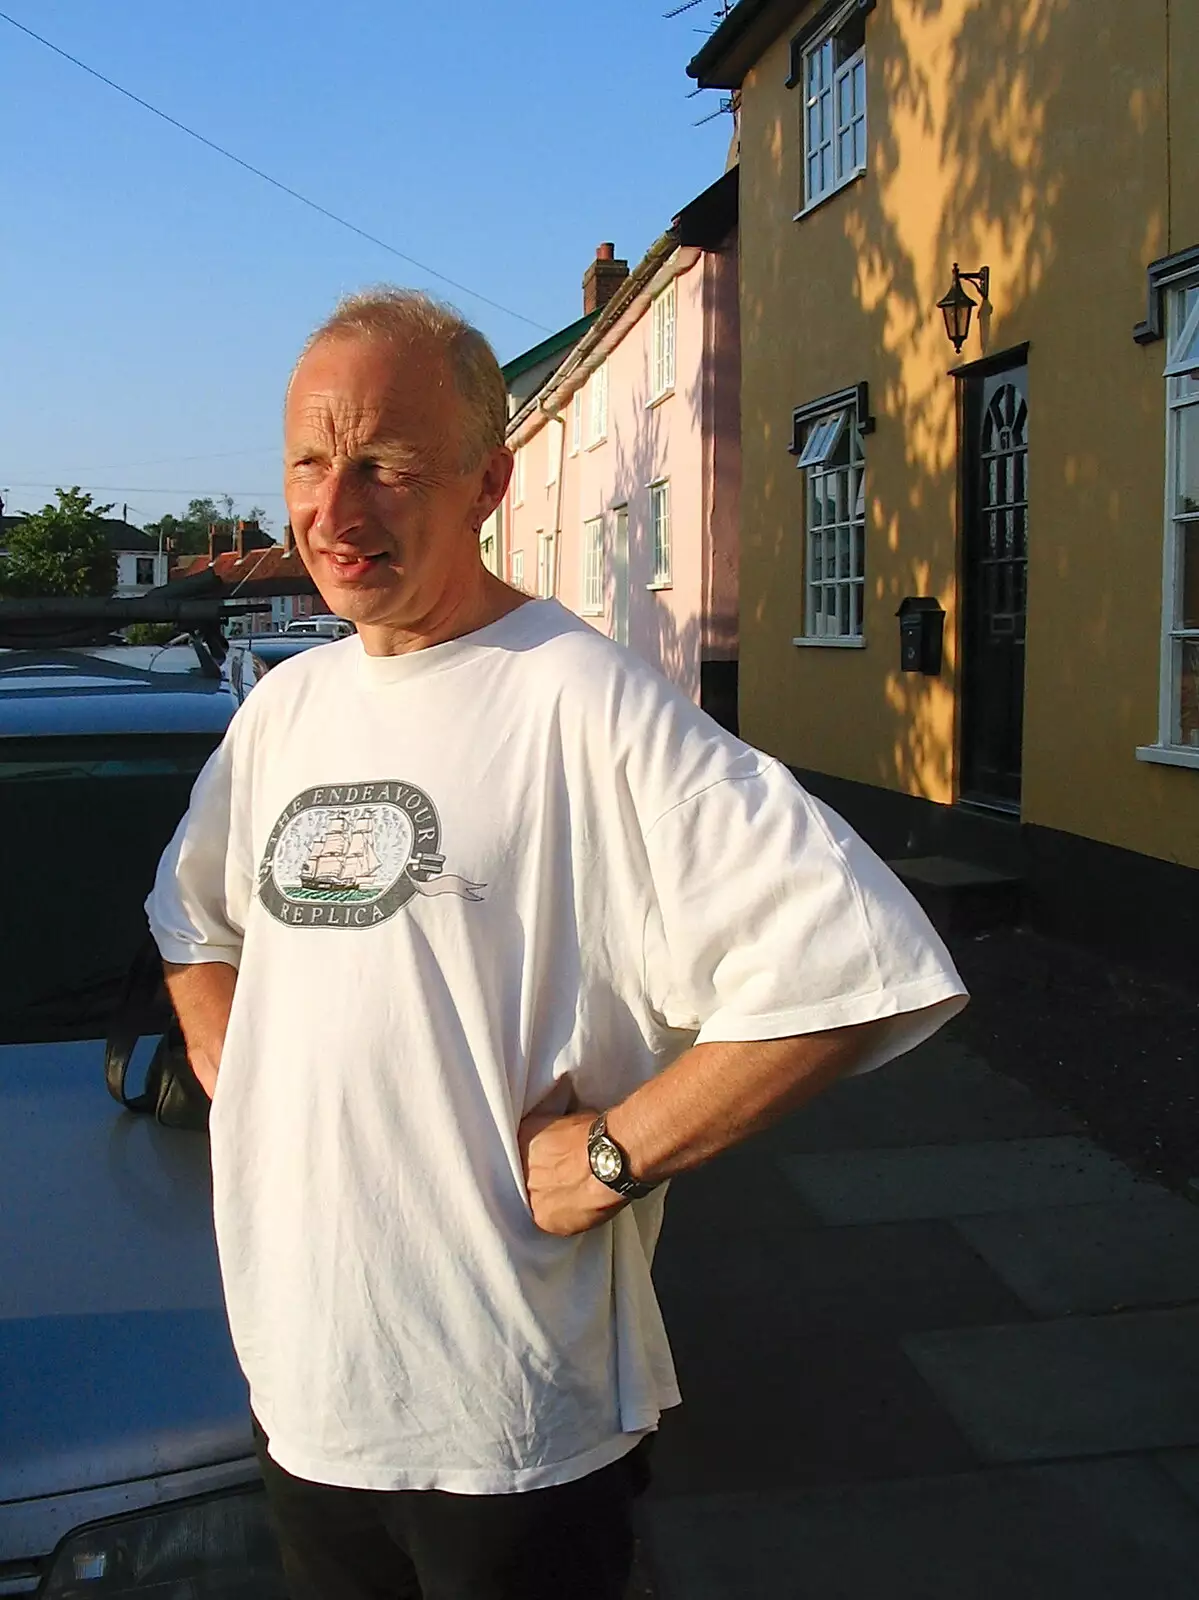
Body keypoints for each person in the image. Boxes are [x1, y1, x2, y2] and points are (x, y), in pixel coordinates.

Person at [146, 287, 967, 1600]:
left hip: (509, 1429)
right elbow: (192, 919)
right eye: (310, 460)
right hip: (304, 1396)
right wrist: (234, 1062)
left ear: (487, 478)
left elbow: (848, 968)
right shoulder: (285, 709)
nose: (336, 511)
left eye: (386, 466)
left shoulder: (581, 700)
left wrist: (606, 1158)